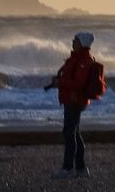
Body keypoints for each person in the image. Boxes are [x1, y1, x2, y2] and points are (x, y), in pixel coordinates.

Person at [43, 31, 105, 179]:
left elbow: (79, 83)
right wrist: (59, 81)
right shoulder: (78, 58)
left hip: (75, 100)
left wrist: (60, 82)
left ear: (82, 42)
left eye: (75, 40)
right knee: (74, 133)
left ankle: (68, 168)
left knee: (69, 133)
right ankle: (81, 169)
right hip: (72, 99)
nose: (72, 41)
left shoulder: (84, 60)